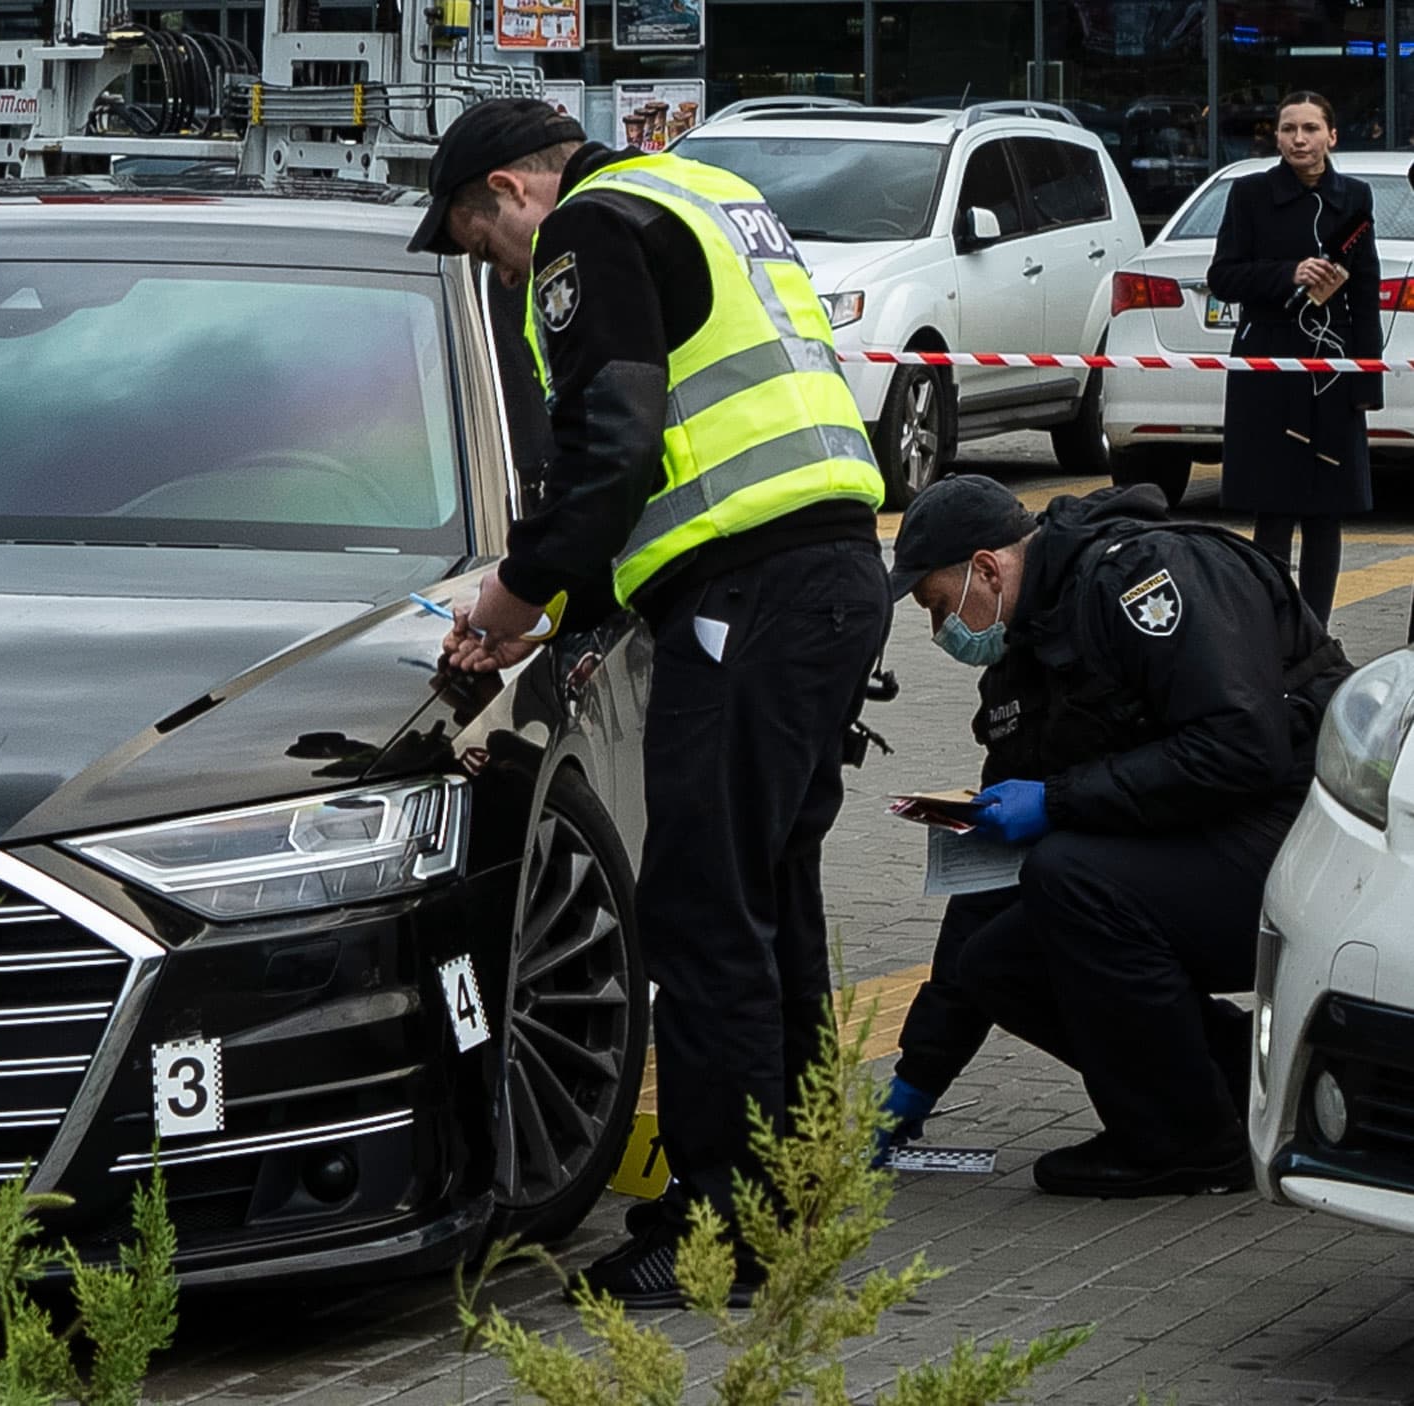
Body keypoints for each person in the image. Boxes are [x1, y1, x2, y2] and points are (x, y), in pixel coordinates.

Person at [407, 98, 889, 1306]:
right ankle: (786, 1187)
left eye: (481, 244)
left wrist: (510, 603)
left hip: (753, 588)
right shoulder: (706, 193)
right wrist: (570, 604)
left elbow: (608, 446)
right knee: (767, 894)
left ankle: (718, 1224)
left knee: (703, 908)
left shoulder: (587, 226)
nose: (497, 270)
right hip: (823, 572)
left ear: (511, 194)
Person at [883, 474, 1350, 1197]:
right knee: (995, 960)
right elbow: (987, 872)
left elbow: (1240, 747)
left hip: (1309, 847)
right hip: (1209, 842)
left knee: (1070, 878)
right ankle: (1238, 1091)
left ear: (985, 569)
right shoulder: (1027, 652)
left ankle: (1185, 1145)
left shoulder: (1143, 580)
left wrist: (1061, 801)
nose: (938, 630)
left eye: (938, 606)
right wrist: (917, 1077)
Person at [1208, 90, 1381, 626]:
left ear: (1332, 135)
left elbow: (1366, 288)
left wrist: (1365, 381)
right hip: (1269, 365)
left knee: (1327, 511)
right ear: (1276, 137)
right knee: (1275, 508)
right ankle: (1273, 629)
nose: (1298, 140)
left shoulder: (1354, 197)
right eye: (1288, 129)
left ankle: (1317, 632)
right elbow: (1223, 277)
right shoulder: (1250, 195)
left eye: (1309, 129)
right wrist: (1288, 273)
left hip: (1333, 368)